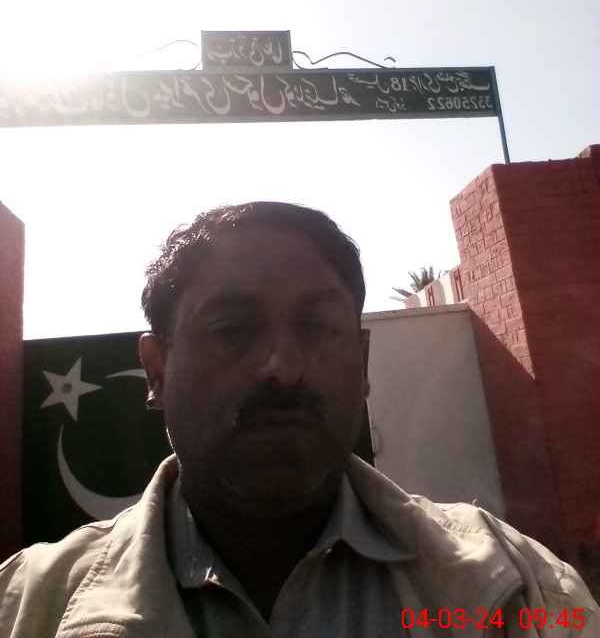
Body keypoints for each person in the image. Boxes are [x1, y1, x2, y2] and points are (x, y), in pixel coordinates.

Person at [0, 201, 598, 637]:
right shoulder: (28, 605)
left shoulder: (520, 592)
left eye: (318, 327)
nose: (283, 368)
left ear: (362, 363)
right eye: (232, 330)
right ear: (156, 371)